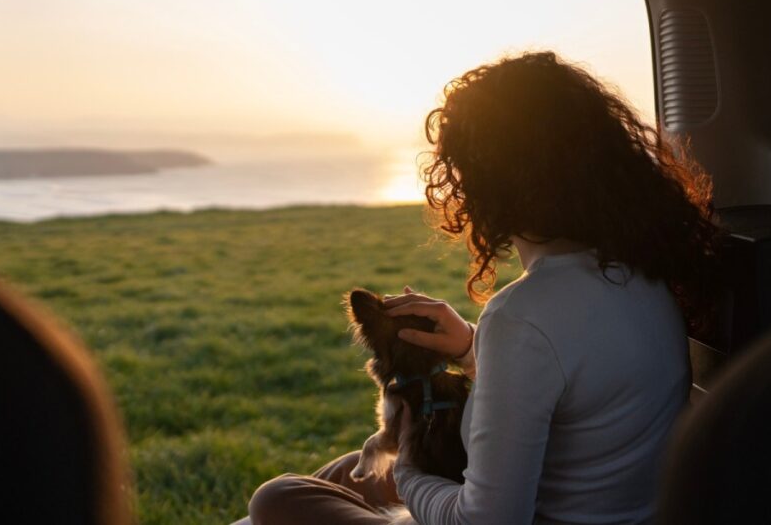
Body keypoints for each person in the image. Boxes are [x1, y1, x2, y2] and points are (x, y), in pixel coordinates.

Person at [237, 51, 720, 525]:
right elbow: (575, 392)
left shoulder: (524, 315)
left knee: (276, 497)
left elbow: (488, 519)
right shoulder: (644, 275)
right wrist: (471, 349)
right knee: (346, 470)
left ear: (492, 182)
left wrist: (406, 468)